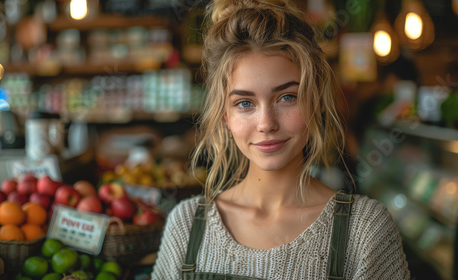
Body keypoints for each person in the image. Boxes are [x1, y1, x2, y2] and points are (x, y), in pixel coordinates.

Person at [152, 0, 411, 279]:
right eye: (244, 103)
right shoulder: (187, 226)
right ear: (225, 116)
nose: (266, 124)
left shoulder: (364, 230)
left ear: (314, 102)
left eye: (287, 97)